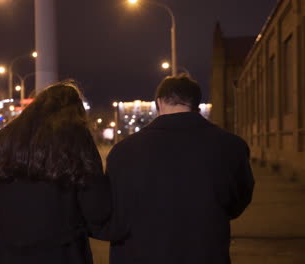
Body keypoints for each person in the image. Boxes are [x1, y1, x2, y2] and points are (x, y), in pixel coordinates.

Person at [105, 74, 255, 264]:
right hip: (206, 253)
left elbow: (113, 212)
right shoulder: (232, 146)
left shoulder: (123, 151)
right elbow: (238, 202)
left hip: (140, 253)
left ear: (159, 102)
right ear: (195, 105)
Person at [0, 81, 111, 264]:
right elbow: (97, 210)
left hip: (6, 255)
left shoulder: (5, 139)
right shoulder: (76, 139)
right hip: (60, 255)